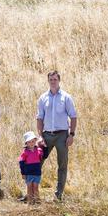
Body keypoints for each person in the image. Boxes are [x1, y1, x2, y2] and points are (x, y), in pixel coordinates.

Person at [36, 70, 77, 201]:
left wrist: (71, 135)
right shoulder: (43, 98)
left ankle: (58, 194)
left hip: (62, 136)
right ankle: (32, 193)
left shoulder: (66, 97)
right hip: (47, 136)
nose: (53, 82)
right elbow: (40, 118)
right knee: (36, 163)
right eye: (51, 80)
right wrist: (40, 136)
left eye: (55, 79)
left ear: (59, 80)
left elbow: (73, 116)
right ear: (48, 81)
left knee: (62, 165)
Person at [19, 131, 44, 204]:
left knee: (35, 187)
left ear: (35, 141)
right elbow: (21, 163)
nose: (31, 143)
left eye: (33, 141)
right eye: (29, 142)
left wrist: (43, 145)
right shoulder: (25, 152)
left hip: (37, 172)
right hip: (28, 173)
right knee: (29, 187)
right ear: (26, 143)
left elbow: (42, 157)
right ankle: (30, 202)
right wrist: (23, 173)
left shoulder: (39, 150)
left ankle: (37, 201)